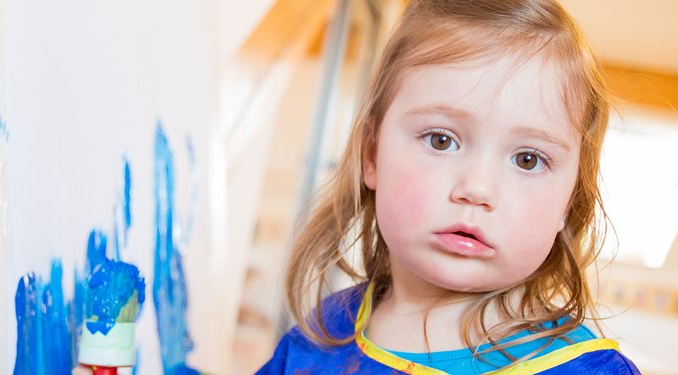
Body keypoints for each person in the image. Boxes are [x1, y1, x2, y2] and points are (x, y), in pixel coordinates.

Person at [258, 0, 640, 373]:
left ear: (568, 202)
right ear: (372, 155)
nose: (477, 189)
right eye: (441, 140)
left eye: (528, 160)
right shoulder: (326, 328)